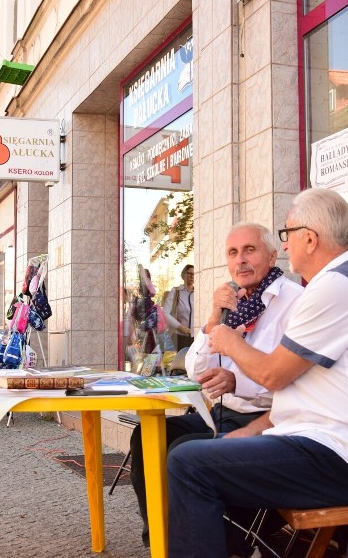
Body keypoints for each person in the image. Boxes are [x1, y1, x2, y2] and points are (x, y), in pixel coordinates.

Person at [167, 188, 348, 557]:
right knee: (196, 455)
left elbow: (272, 375)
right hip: (331, 445)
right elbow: (296, 395)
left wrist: (225, 338)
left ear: (310, 239)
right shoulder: (340, 281)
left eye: (288, 234)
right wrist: (250, 432)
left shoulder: (337, 285)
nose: (286, 245)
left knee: (189, 465)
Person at [130, 223, 303, 547]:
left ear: (272, 253)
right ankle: (160, 542)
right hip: (223, 411)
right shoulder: (233, 305)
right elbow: (197, 372)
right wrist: (213, 317)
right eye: (233, 253)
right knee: (146, 437)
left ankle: (218, 540)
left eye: (250, 250)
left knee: (183, 452)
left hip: (269, 417)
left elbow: (292, 380)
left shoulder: (294, 302)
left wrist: (239, 382)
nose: (241, 260)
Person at [162, 264, 195, 351]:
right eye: (189, 274)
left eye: (194, 274)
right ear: (183, 275)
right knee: (180, 363)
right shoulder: (176, 292)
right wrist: (180, 327)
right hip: (179, 337)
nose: (192, 276)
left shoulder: (199, 292)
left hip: (197, 337)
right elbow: (165, 313)